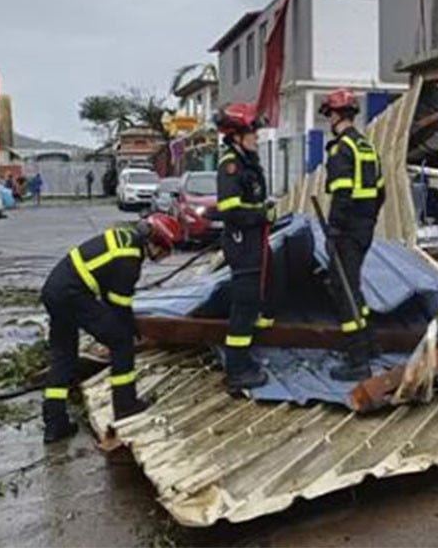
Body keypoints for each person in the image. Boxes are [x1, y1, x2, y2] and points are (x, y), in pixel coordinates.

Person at [40, 213, 182, 443]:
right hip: (73, 295)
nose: (163, 256)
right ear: (155, 242)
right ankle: (125, 405)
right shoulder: (131, 257)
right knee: (121, 343)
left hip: (55, 291)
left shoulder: (123, 238)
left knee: (63, 356)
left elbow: (108, 292)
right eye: (165, 250)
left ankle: (54, 425)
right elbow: (119, 304)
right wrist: (131, 330)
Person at [319, 89, 385, 381]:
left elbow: (342, 194)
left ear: (335, 116)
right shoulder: (366, 147)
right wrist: (367, 220)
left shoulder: (341, 149)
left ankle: (357, 360)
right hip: (364, 227)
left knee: (343, 289)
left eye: (329, 115)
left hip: (347, 230)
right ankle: (369, 344)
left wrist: (334, 229)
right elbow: (380, 191)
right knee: (353, 286)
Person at [213, 102, 273, 391]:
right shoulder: (231, 165)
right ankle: (236, 369)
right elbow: (230, 209)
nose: (257, 137)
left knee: (251, 304)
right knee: (244, 304)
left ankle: (244, 358)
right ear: (237, 135)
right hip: (242, 243)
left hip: (252, 242)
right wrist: (262, 215)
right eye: (253, 132)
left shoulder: (247, 163)